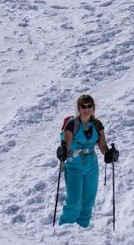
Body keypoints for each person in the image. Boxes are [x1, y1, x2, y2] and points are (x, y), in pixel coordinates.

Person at [57, 94, 106, 226]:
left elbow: (102, 145)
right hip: (74, 164)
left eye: (89, 106)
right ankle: (62, 232)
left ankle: (81, 233)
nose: (86, 109)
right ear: (79, 108)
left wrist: (109, 154)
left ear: (93, 108)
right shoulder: (72, 124)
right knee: (74, 202)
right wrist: (63, 151)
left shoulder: (97, 124)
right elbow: (66, 142)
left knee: (88, 202)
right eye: (83, 106)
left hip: (92, 164)